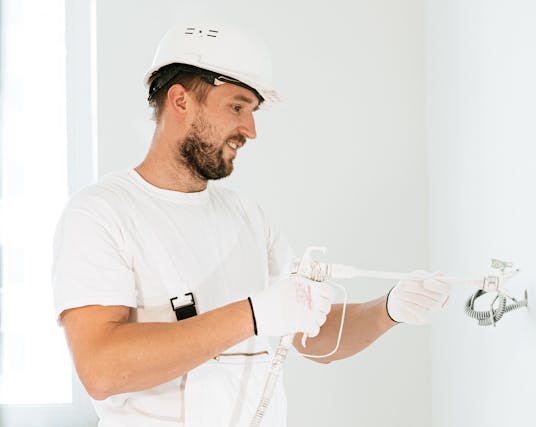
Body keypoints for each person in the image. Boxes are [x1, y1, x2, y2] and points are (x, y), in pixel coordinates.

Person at [52, 23, 450, 427]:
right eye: (237, 107)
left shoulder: (247, 217)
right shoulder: (102, 213)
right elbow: (101, 368)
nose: (250, 131)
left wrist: (390, 308)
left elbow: (312, 333)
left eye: (252, 112)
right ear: (180, 100)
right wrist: (253, 315)